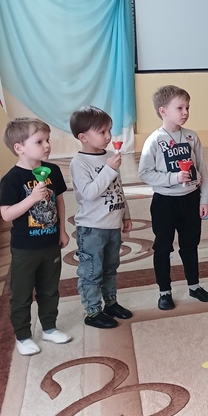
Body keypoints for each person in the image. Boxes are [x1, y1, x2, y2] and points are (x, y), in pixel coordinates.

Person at [0, 117, 72, 356]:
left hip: (50, 243)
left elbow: (59, 202)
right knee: (21, 294)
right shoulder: (12, 179)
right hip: (25, 248)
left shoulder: (53, 171)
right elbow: (6, 214)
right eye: (39, 141)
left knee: (50, 288)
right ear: (19, 147)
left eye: (47, 140)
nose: (47, 145)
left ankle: (49, 327)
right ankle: (23, 336)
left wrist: (62, 230)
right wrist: (31, 198)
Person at [138, 85, 208, 310]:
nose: (185, 112)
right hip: (165, 202)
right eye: (180, 108)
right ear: (163, 111)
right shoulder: (154, 140)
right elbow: (145, 173)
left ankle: (194, 286)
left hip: (190, 199)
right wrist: (173, 178)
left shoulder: (191, 136)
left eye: (187, 107)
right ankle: (165, 291)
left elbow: (202, 169)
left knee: (190, 245)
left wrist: (204, 198)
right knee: (163, 247)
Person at [68, 106, 133, 329]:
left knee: (110, 267)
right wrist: (108, 169)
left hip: (112, 225)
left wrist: (126, 214)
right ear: (83, 137)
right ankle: (93, 311)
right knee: (91, 271)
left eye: (109, 131)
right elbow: (89, 193)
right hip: (92, 228)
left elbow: (118, 188)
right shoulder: (79, 163)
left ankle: (111, 303)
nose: (108, 136)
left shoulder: (108, 157)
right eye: (102, 132)